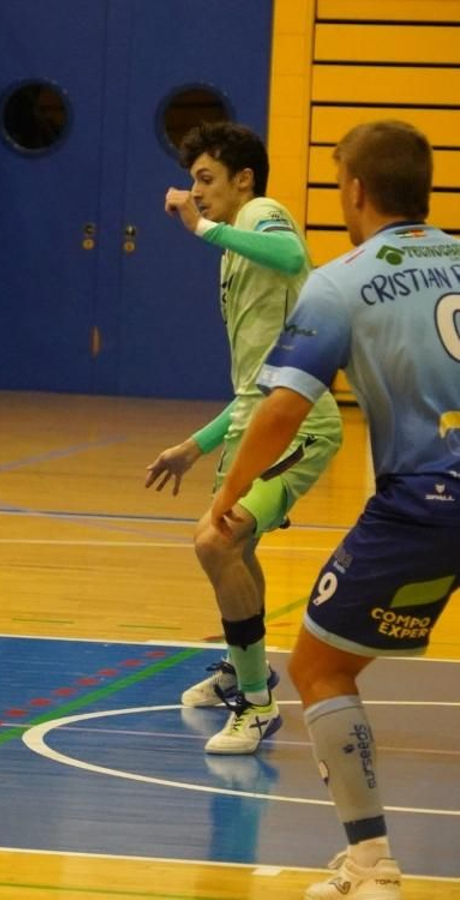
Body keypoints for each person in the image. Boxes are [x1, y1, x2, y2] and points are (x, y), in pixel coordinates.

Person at [210, 119, 460, 899]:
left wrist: (227, 495)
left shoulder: (341, 280)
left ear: (354, 191)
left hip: (428, 498)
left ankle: (371, 867)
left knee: (320, 667)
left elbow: (282, 412)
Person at [147, 122, 343, 755]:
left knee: (215, 542)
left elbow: (294, 259)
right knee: (238, 550)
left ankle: (257, 706)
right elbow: (253, 382)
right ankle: (243, 669)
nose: (196, 192)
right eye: (193, 181)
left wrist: (199, 229)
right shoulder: (237, 249)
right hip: (253, 427)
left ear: (244, 179)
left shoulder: (263, 215)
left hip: (298, 427)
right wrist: (196, 445)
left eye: (206, 179)